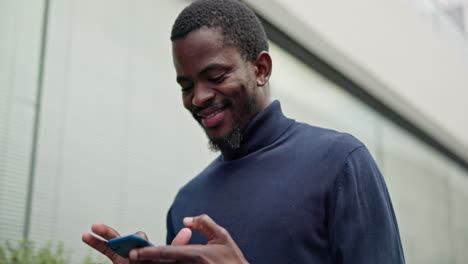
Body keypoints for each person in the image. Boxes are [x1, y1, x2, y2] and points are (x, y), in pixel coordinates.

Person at [83, 0, 405, 263]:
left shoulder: (340, 164)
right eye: (186, 86)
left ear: (261, 69)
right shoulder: (185, 205)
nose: (199, 98)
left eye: (216, 75)